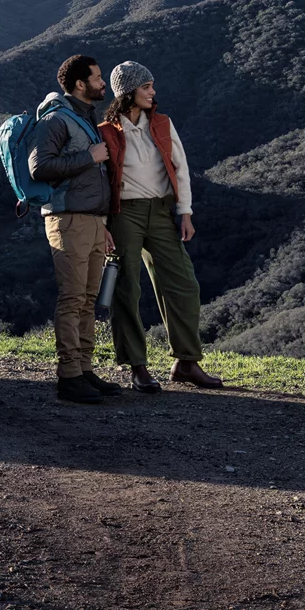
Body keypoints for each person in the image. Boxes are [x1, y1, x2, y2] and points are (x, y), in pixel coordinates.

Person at [98, 61, 222, 391]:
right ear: (127, 93)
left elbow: (180, 168)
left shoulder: (163, 124)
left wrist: (185, 213)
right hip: (124, 213)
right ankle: (137, 367)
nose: (153, 93)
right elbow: (96, 182)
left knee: (183, 283)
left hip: (163, 212)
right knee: (127, 288)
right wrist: (102, 224)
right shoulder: (106, 132)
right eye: (146, 87)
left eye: (152, 86)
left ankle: (186, 362)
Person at [29, 55, 121, 404]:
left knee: (87, 301)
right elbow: (40, 167)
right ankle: (68, 376)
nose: (102, 84)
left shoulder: (84, 118)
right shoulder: (55, 120)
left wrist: (104, 223)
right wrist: (91, 157)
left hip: (93, 221)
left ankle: (83, 369)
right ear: (80, 84)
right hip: (67, 219)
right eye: (97, 78)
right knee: (72, 298)